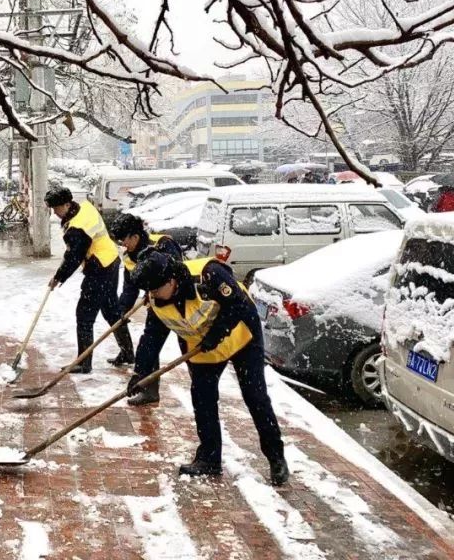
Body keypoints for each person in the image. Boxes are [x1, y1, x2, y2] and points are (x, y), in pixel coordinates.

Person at [128, 251, 289, 486]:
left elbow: (238, 305)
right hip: (202, 348)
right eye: (149, 291)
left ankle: (276, 457)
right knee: (202, 399)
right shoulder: (157, 298)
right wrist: (140, 373)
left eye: (155, 289)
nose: (152, 295)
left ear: (171, 280)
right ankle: (209, 459)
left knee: (255, 396)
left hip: (241, 337)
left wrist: (218, 332)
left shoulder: (208, 276)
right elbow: (151, 338)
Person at [45, 187, 128, 373]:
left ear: (67, 205)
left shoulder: (77, 228)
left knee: (84, 316)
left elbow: (74, 256)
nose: (55, 213)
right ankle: (128, 352)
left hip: (99, 268)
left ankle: (84, 362)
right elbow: (74, 252)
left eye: (57, 208)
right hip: (111, 260)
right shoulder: (84, 207)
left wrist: (59, 277)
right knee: (111, 310)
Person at [109, 213, 183, 405]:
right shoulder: (129, 258)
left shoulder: (163, 245)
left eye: (124, 240)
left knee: (189, 347)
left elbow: (176, 272)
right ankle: (149, 388)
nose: (122, 245)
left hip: (183, 303)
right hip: (158, 304)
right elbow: (129, 287)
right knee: (150, 343)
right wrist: (121, 312)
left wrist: (155, 287)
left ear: (135, 236)